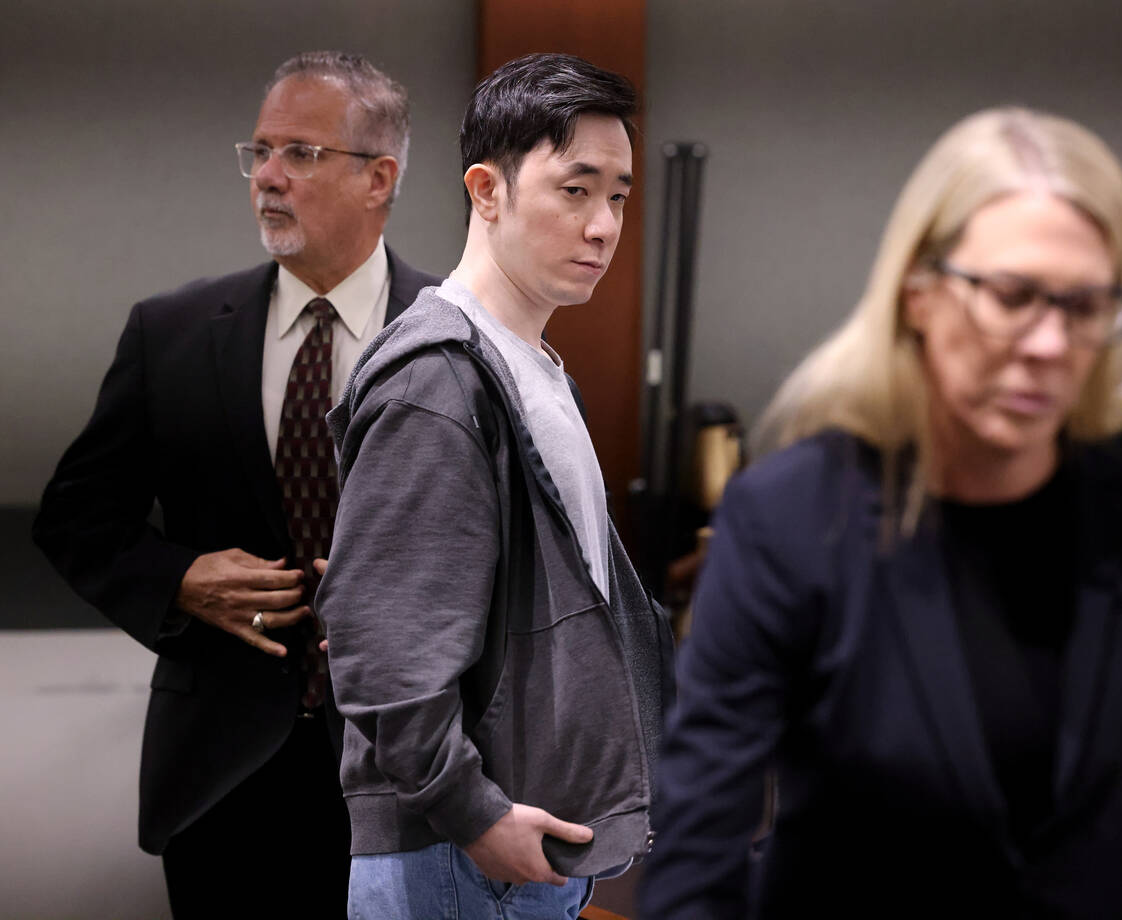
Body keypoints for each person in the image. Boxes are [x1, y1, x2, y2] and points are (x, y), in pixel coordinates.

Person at [639, 107, 1122, 918]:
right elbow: (698, 857)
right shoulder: (793, 517)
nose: (1048, 343)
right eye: (1012, 297)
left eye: (1083, 306)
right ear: (919, 297)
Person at [32, 51, 439, 919]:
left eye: (300, 153)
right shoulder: (170, 333)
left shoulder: (465, 340)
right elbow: (74, 517)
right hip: (222, 775)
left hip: (421, 768)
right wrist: (176, 578)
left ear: (379, 178)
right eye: (258, 152)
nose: (267, 178)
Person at [316, 53, 674, 920]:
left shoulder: (533, 368)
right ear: (487, 190)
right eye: (576, 190)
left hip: (515, 848)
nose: (604, 226)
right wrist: (475, 816)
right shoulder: (438, 378)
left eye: (619, 196)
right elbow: (382, 643)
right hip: (459, 858)